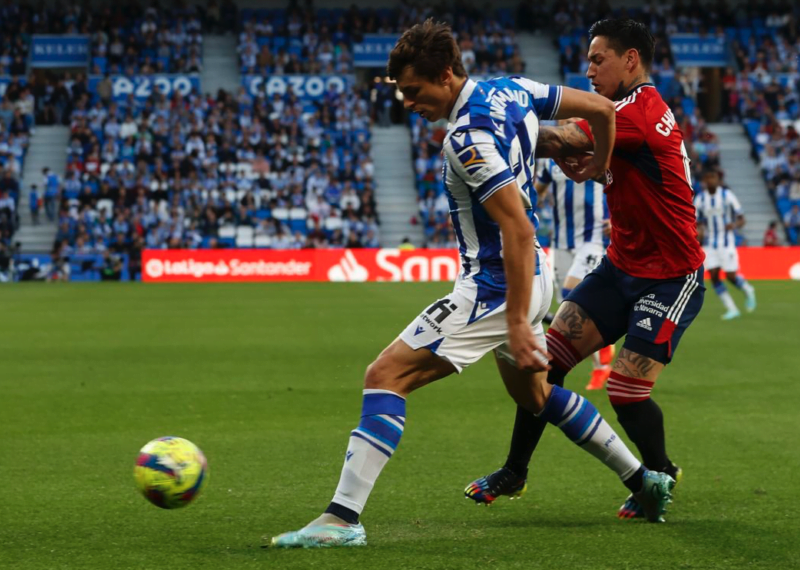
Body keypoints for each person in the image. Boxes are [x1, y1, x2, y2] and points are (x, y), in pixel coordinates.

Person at [270, 19, 674, 550]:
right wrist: (598, 164)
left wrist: (517, 323)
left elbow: (517, 225)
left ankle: (342, 519)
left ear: (445, 75)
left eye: (415, 91)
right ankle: (643, 480)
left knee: (385, 375)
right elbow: (600, 110)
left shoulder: (469, 138)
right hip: (534, 274)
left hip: (496, 285)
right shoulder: (511, 88)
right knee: (537, 396)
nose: (409, 103)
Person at [465, 18, 704, 521]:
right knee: (540, 364)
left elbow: (557, 140)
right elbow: (586, 150)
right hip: (620, 267)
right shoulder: (623, 116)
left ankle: (658, 476)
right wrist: (592, 159)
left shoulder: (637, 112)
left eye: (599, 60)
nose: (589, 70)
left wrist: (492, 120)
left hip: (670, 275)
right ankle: (515, 471)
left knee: (625, 391)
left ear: (630, 60)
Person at [534, 156, 614, 390]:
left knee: (573, 290)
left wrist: (617, 217)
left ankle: (601, 364)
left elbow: (620, 184)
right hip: (560, 242)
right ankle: (600, 362)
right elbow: (537, 193)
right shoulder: (550, 163)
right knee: (570, 308)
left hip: (593, 239)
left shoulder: (597, 155)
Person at [694, 168, 757, 320]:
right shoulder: (700, 199)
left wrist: (734, 225)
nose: (711, 181)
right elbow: (696, 221)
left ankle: (748, 289)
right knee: (714, 276)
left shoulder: (727, 195)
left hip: (726, 241)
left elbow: (742, 218)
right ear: (705, 182)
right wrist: (699, 232)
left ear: (718, 180)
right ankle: (732, 308)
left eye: (713, 178)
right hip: (709, 243)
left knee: (730, 276)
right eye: (708, 179)